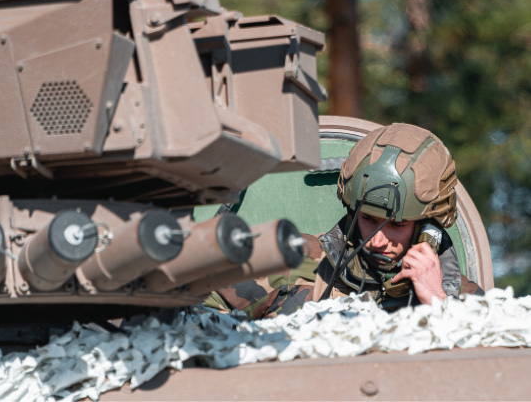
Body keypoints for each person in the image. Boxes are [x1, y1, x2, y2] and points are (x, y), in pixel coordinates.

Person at [204, 123, 484, 319]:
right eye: (367, 218)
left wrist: (437, 302)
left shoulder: (463, 300)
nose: (376, 240)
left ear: (427, 230)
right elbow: (194, 316)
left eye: (396, 226)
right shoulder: (292, 260)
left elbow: (495, 371)